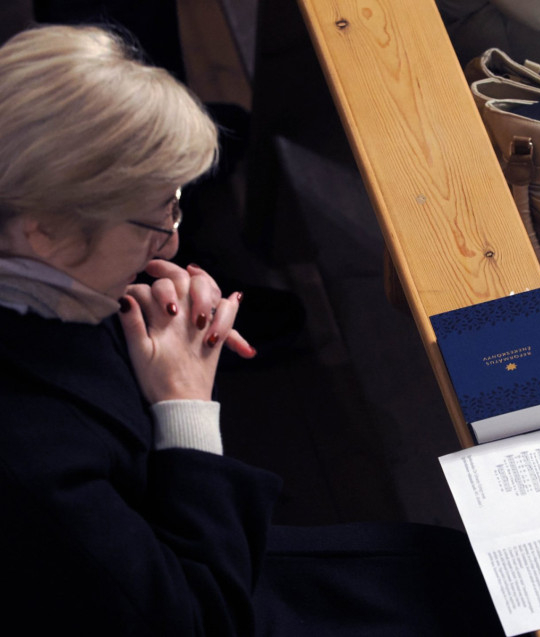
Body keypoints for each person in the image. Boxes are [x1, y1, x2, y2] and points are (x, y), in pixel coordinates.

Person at [0, 25, 502, 636]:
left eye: (176, 204)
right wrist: (184, 403)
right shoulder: (30, 461)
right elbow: (199, 619)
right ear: (45, 232)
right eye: (153, 221)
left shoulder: (36, 274)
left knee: (454, 570)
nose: (173, 245)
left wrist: (163, 331)